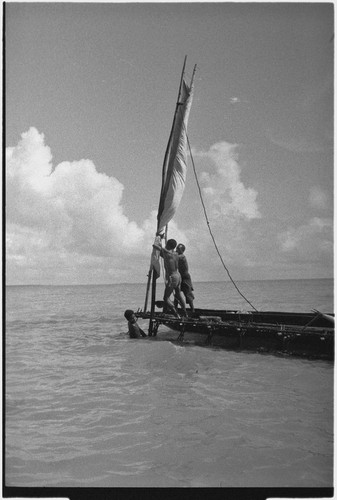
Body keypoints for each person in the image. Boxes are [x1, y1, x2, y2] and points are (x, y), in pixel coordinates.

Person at [153, 238, 187, 317]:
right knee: (178, 294)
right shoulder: (175, 254)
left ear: (168, 245)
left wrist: (159, 237)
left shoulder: (166, 252)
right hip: (178, 276)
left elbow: (154, 246)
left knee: (166, 298)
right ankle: (185, 312)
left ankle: (176, 314)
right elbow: (164, 255)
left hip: (173, 277)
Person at [174, 243, 195, 313]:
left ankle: (192, 310)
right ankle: (175, 308)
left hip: (185, 277)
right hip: (180, 277)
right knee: (177, 293)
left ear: (182, 251)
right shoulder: (177, 256)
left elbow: (173, 257)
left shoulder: (182, 257)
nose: (177, 250)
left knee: (188, 294)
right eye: (176, 248)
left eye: (178, 249)